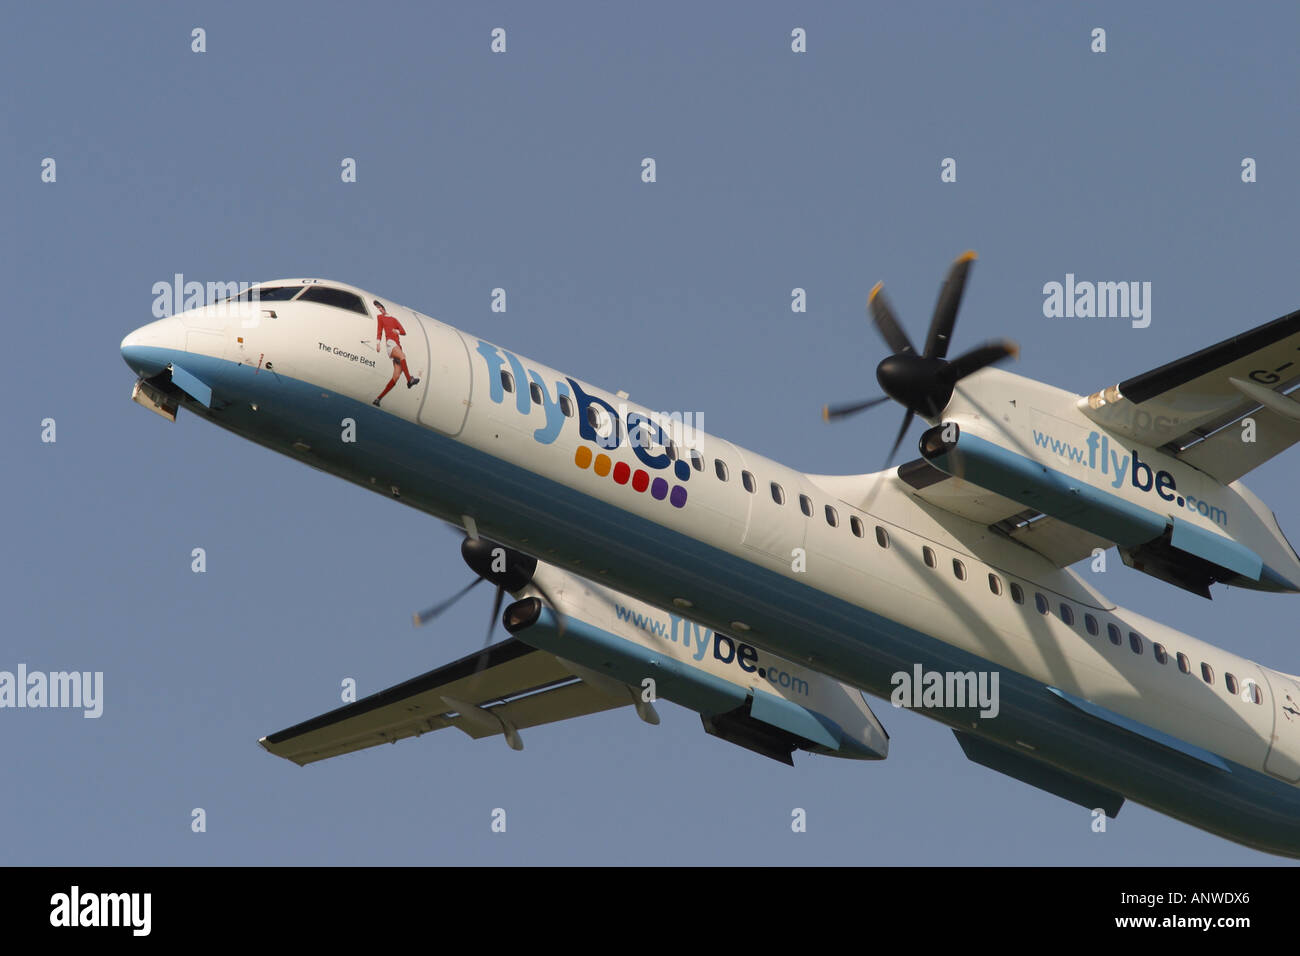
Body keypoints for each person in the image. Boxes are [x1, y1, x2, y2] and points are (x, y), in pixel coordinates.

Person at [372, 300, 419, 406]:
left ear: (383, 307)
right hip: (391, 343)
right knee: (402, 356)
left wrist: (396, 331)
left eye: (379, 307)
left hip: (398, 346)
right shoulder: (380, 318)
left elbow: (403, 332)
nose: (379, 309)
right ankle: (409, 379)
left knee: (396, 377)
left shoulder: (394, 320)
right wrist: (378, 343)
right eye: (377, 308)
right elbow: (379, 330)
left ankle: (378, 399)